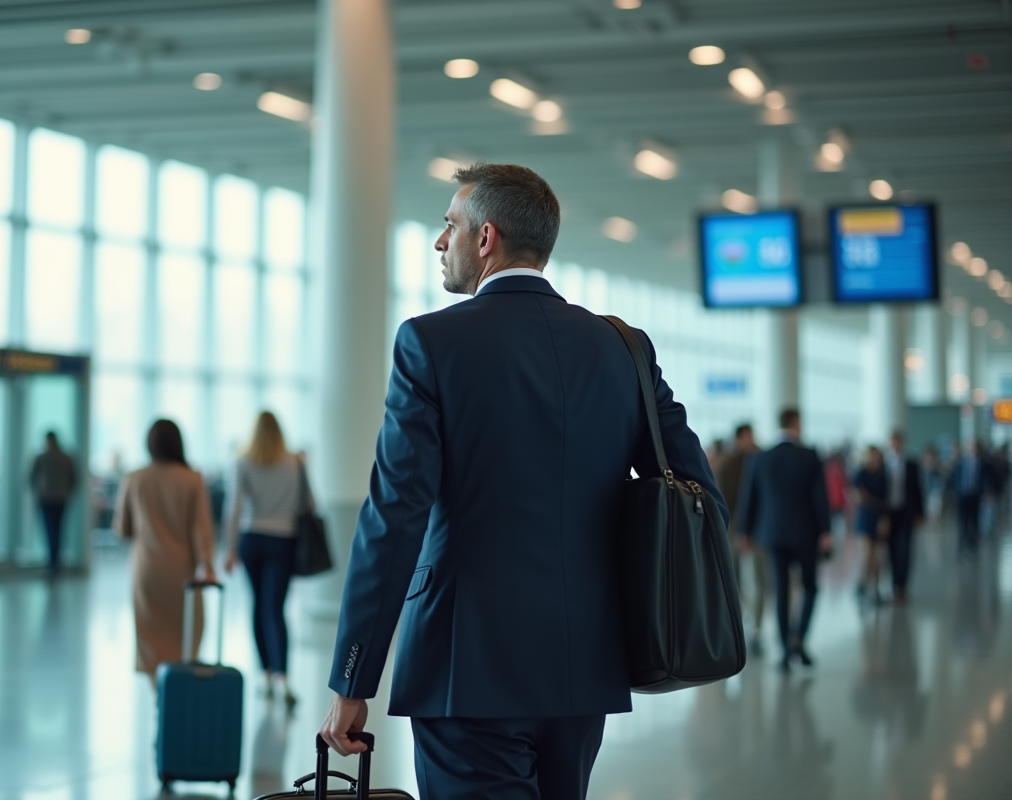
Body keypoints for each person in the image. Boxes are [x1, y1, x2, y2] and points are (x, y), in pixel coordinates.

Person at [317, 163, 726, 799]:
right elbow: (700, 499)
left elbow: (395, 514)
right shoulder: (624, 348)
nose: (440, 241)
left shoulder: (430, 342)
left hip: (466, 666)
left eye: (450, 225)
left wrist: (353, 678)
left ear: (486, 238)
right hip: (586, 664)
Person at [114, 420, 216, 685]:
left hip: (146, 570)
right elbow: (201, 530)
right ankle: (178, 692)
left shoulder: (134, 478)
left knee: (151, 639)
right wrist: (206, 565)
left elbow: (122, 529)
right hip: (182, 572)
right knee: (186, 636)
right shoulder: (192, 479)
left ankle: (158, 693)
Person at [223, 411, 309, 710]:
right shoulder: (295, 462)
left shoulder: (242, 461)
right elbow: (307, 503)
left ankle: (265, 674)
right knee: (275, 608)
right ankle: (282, 677)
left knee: (259, 604)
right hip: (284, 539)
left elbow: (234, 507)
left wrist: (230, 549)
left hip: (252, 538)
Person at [739, 408, 831, 673]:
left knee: (780, 589)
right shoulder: (809, 456)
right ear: (796, 423)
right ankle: (798, 638)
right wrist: (825, 531)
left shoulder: (761, 458)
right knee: (810, 586)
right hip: (806, 532)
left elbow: (750, 496)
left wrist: (745, 531)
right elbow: (820, 497)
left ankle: (784, 648)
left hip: (773, 533)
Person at [714, 423, 766, 655]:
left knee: (759, 579)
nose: (751, 440)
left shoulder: (760, 459)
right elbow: (721, 496)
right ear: (738, 438)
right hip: (734, 525)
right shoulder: (728, 463)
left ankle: (756, 630)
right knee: (733, 578)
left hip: (757, 526)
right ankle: (735, 625)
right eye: (748, 436)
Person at [29, 431, 78, 579]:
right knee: (56, 532)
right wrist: (68, 493)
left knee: (51, 533)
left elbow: (31, 478)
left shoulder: (42, 457)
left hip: (48, 499)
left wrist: (38, 492)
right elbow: (74, 480)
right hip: (59, 498)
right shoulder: (66, 457)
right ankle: (55, 565)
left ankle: (53, 565)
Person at [884, 431, 924, 605]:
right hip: (889, 514)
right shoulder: (884, 463)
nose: (895, 445)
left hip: (906, 513)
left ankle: (902, 586)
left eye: (898, 441)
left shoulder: (911, 463)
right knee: (891, 551)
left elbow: (918, 489)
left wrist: (920, 512)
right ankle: (894, 585)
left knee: (905, 550)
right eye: (893, 441)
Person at [853, 445, 889, 603]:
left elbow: (884, 499)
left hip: (878, 516)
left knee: (877, 557)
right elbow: (859, 496)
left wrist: (884, 518)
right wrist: (870, 501)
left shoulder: (882, 474)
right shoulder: (861, 473)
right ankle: (862, 585)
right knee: (867, 553)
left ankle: (875, 588)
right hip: (865, 516)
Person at [952, 441, 985, 558]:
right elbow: (955, 477)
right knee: (962, 522)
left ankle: (973, 545)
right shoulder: (961, 462)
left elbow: (985, 478)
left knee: (974, 521)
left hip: (975, 496)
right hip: (963, 496)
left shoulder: (982, 463)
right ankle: (962, 546)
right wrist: (955, 491)